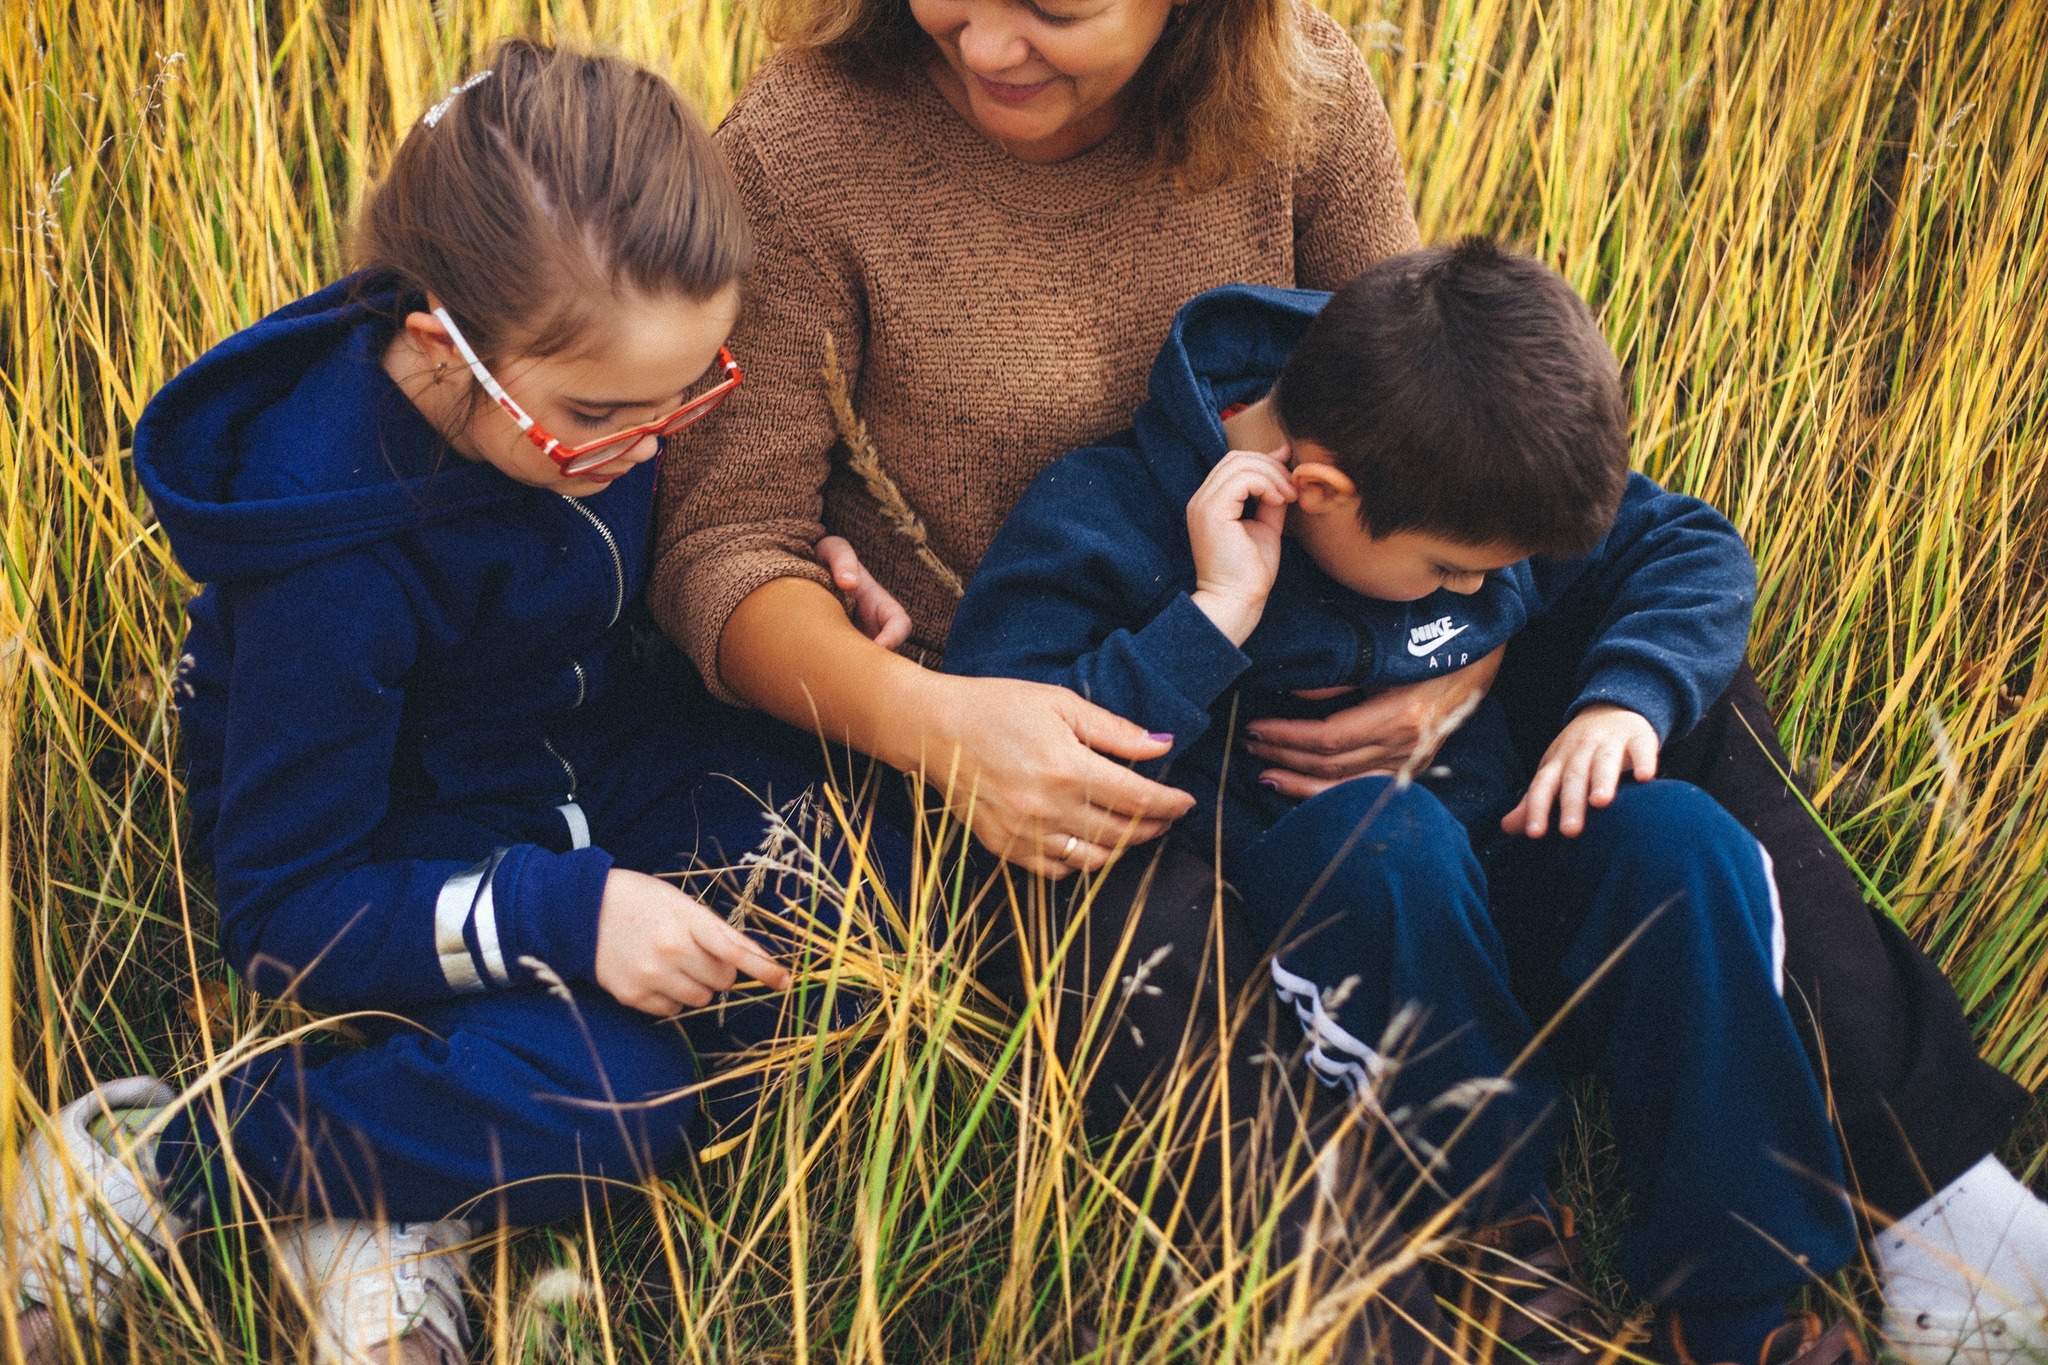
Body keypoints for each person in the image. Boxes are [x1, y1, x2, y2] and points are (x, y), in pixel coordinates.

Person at [650, 0, 2039, 1359]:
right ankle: (1417, 1295)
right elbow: (724, 540)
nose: (984, 36)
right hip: (1070, 697)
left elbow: (1440, 422)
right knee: (1175, 913)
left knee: (1678, 719)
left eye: (1055, 8)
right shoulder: (808, 148)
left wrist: (1474, 644)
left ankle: (1927, 1204)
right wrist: (940, 721)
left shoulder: (1298, 87)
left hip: (1375, 601)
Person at [8, 43, 898, 1365]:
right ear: (445, 349)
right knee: (612, 1105)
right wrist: (573, 913)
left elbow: (655, 544)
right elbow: (286, 916)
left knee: (854, 903)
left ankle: (384, 1173)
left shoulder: (609, 402)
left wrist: (788, 566)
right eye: (605, 415)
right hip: (407, 862)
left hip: (597, 764)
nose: (653, 444)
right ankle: (189, 1149)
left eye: (689, 393)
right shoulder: (334, 565)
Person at [944, 239, 1864, 1362]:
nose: (1477, 594)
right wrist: (1209, 620)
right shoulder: (1104, 520)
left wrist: (1621, 702)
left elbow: (1687, 545)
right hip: (1307, 953)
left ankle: (1738, 1302)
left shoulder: (1462, 469)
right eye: (1447, 573)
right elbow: (1020, 737)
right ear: (1320, 491)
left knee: (1679, 837)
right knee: (1382, 842)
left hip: (1497, 884)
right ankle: (1493, 1243)